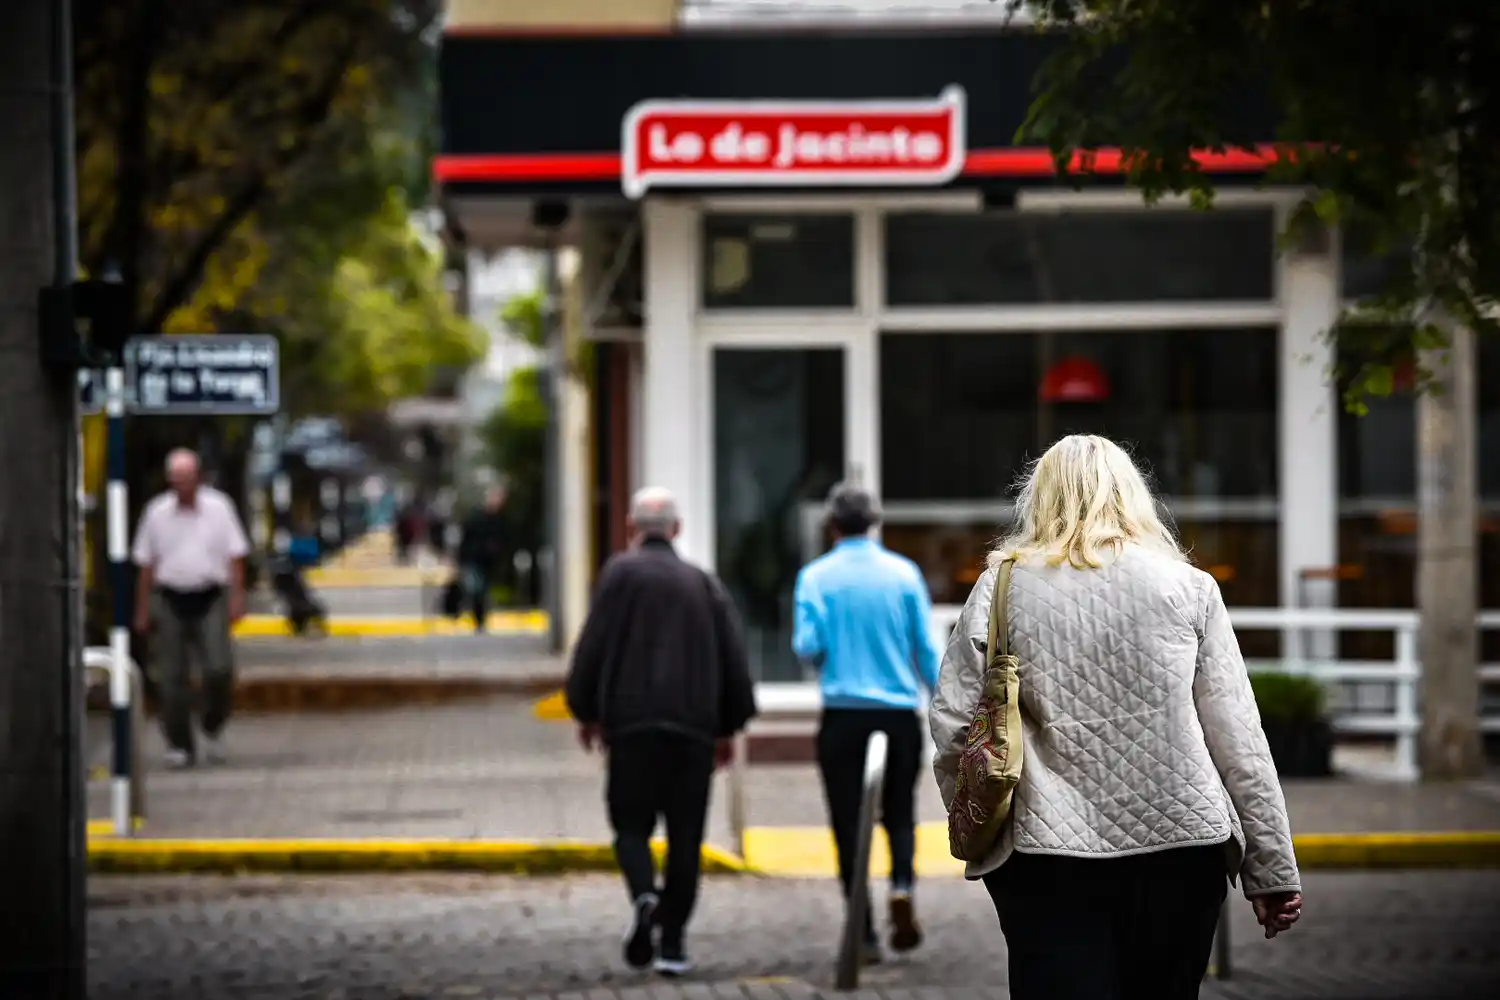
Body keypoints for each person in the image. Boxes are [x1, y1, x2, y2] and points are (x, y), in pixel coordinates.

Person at [929, 434, 1302, 1000]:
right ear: (1133, 497)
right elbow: (1239, 739)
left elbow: (955, 724)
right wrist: (1271, 870)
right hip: (1182, 845)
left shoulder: (1001, 587)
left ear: (1041, 498)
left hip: (1046, 854)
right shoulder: (1189, 588)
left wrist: (984, 832)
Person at [564, 487, 757, 976]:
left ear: (632, 528)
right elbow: (732, 656)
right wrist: (730, 725)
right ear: (676, 529)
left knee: (630, 827)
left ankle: (645, 898)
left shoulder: (617, 576)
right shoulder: (703, 583)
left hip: (630, 727)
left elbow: (593, 644)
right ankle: (672, 943)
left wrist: (585, 709)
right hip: (693, 729)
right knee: (686, 837)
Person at [792, 482, 942, 966]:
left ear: (832, 524)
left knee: (846, 821)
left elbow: (806, 646)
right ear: (875, 522)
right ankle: (901, 885)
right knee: (898, 812)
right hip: (897, 714)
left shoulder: (815, 577)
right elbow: (924, 648)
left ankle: (864, 930)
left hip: (843, 717)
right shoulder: (904, 574)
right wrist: (944, 699)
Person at [132, 448, 252, 768]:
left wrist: (238, 597)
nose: (182, 484)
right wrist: (142, 609)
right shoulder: (156, 512)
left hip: (210, 595)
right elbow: (146, 563)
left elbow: (236, 555)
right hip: (170, 597)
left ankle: (213, 726)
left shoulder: (219, 507)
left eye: (187, 477)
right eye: (176, 478)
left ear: (198, 476)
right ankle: (179, 743)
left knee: (219, 667)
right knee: (170, 676)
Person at [456, 485, 510, 633]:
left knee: (483, 591)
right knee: (477, 590)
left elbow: (504, 539)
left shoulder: (500, 519)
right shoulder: (476, 517)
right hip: (474, 560)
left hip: (489, 562)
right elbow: (466, 538)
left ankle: (481, 619)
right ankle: (478, 620)